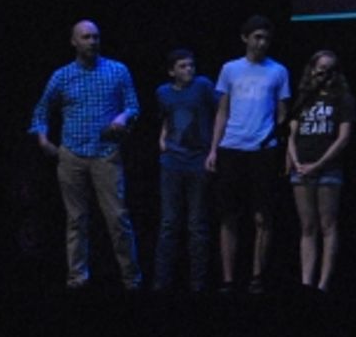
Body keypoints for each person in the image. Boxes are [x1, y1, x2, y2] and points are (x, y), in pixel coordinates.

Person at [28, 20, 144, 290]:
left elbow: (133, 106)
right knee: (76, 220)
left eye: (96, 37)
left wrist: (123, 117)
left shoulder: (117, 70)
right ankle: (77, 278)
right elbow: (41, 110)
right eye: (86, 37)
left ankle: (131, 279)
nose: (92, 41)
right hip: (71, 155)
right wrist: (43, 139)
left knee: (117, 218)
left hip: (105, 153)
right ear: (74, 42)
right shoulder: (62, 76)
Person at [206, 15, 291, 294]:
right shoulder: (230, 69)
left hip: (262, 150)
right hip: (232, 147)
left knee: (262, 216)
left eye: (266, 38)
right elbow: (222, 111)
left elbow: (282, 113)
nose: (262, 43)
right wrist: (213, 149)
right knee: (228, 216)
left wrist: (275, 139)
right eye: (257, 37)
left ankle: (257, 277)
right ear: (245, 38)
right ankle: (228, 279)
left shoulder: (278, 71)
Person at [286, 51, 355, 292]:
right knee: (307, 226)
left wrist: (318, 164)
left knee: (328, 225)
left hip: (327, 169)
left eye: (329, 69)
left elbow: (343, 138)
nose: (323, 73)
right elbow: (291, 134)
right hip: (301, 168)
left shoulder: (342, 98)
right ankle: (306, 282)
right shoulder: (304, 98)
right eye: (320, 68)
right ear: (312, 69)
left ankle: (323, 284)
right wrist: (295, 161)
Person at [153, 49, 216, 293]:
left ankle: (198, 282)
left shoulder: (203, 86)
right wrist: (162, 141)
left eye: (191, 65)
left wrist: (213, 150)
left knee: (197, 224)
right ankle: (161, 281)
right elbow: (166, 119)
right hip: (172, 162)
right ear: (172, 71)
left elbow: (220, 111)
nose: (189, 69)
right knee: (169, 222)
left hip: (198, 161)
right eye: (182, 66)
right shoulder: (163, 92)